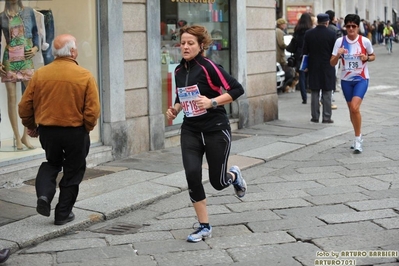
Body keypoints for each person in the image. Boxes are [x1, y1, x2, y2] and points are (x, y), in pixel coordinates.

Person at [165, 25, 246, 243]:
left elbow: (237, 89)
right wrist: (175, 109)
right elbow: (182, 97)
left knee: (218, 182)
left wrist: (212, 102)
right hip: (190, 130)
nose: (185, 47)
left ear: (201, 46)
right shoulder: (179, 71)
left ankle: (234, 176)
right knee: (192, 175)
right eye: (182, 43)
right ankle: (204, 226)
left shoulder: (210, 67)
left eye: (190, 43)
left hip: (215, 128)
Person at [18, 34, 101, 225]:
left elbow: (24, 106)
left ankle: (44, 196)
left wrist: (32, 125)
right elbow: (92, 111)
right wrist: (86, 129)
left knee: (52, 163)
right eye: (76, 47)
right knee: (73, 170)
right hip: (75, 131)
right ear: (72, 52)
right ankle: (63, 213)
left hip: (48, 131)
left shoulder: (40, 74)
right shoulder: (85, 75)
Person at [330, 14, 375, 153]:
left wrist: (366, 57)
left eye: (353, 26)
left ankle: (358, 139)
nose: (350, 29)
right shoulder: (340, 41)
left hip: (361, 79)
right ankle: (357, 134)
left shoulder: (365, 41)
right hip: (346, 81)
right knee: (352, 110)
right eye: (348, 26)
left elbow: (373, 56)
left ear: (357, 27)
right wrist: (338, 54)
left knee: (355, 108)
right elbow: (332, 63)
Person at [0, 0, 39, 150]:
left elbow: (36, 32)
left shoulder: (28, 12)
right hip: (9, 58)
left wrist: (35, 48)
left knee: (29, 97)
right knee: (11, 97)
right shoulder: (2, 17)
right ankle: (16, 136)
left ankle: (25, 135)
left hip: (26, 56)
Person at [303, 13, 337, 124]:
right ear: (327, 22)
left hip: (313, 66)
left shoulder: (308, 34)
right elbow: (334, 52)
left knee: (314, 92)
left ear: (317, 21)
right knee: (327, 92)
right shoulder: (332, 34)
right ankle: (327, 117)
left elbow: (305, 52)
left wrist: (306, 66)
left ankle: (315, 116)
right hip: (328, 66)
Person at [292, 13, 313, 104]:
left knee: (301, 76)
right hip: (309, 54)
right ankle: (312, 92)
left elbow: (295, 43)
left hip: (299, 54)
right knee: (310, 73)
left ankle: (304, 97)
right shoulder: (311, 30)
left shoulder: (297, 30)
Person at [325, 10, 343, 110]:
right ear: (331, 18)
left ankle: (321, 98)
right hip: (333, 57)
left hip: (323, 58)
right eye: (335, 17)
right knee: (332, 77)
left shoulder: (322, 29)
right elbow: (340, 46)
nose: (336, 19)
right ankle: (329, 99)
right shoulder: (336, 30)